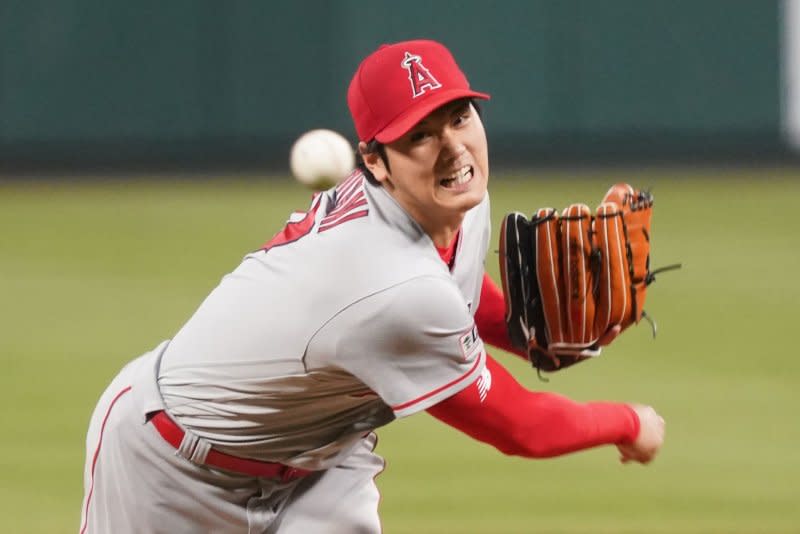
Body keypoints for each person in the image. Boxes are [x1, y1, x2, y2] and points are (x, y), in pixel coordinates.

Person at [79, 39, 665, 533]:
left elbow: (456, 290)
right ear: (375, 162)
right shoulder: (394, 287)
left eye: (459, 116)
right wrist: (627, 422)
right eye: (420, 136)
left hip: (320, 460)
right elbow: (519, 427)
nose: (454, 147)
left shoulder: (458, 199)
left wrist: (527, 332)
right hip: (166, 467)